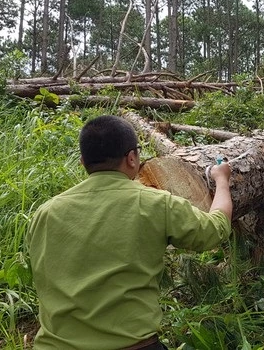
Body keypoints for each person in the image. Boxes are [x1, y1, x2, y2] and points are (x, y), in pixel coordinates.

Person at [25, 115, 233, 349]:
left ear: (83, 162)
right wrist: (222, 180)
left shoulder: (44, 213)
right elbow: (216, 230)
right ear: (132, 158)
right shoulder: (155, 203)